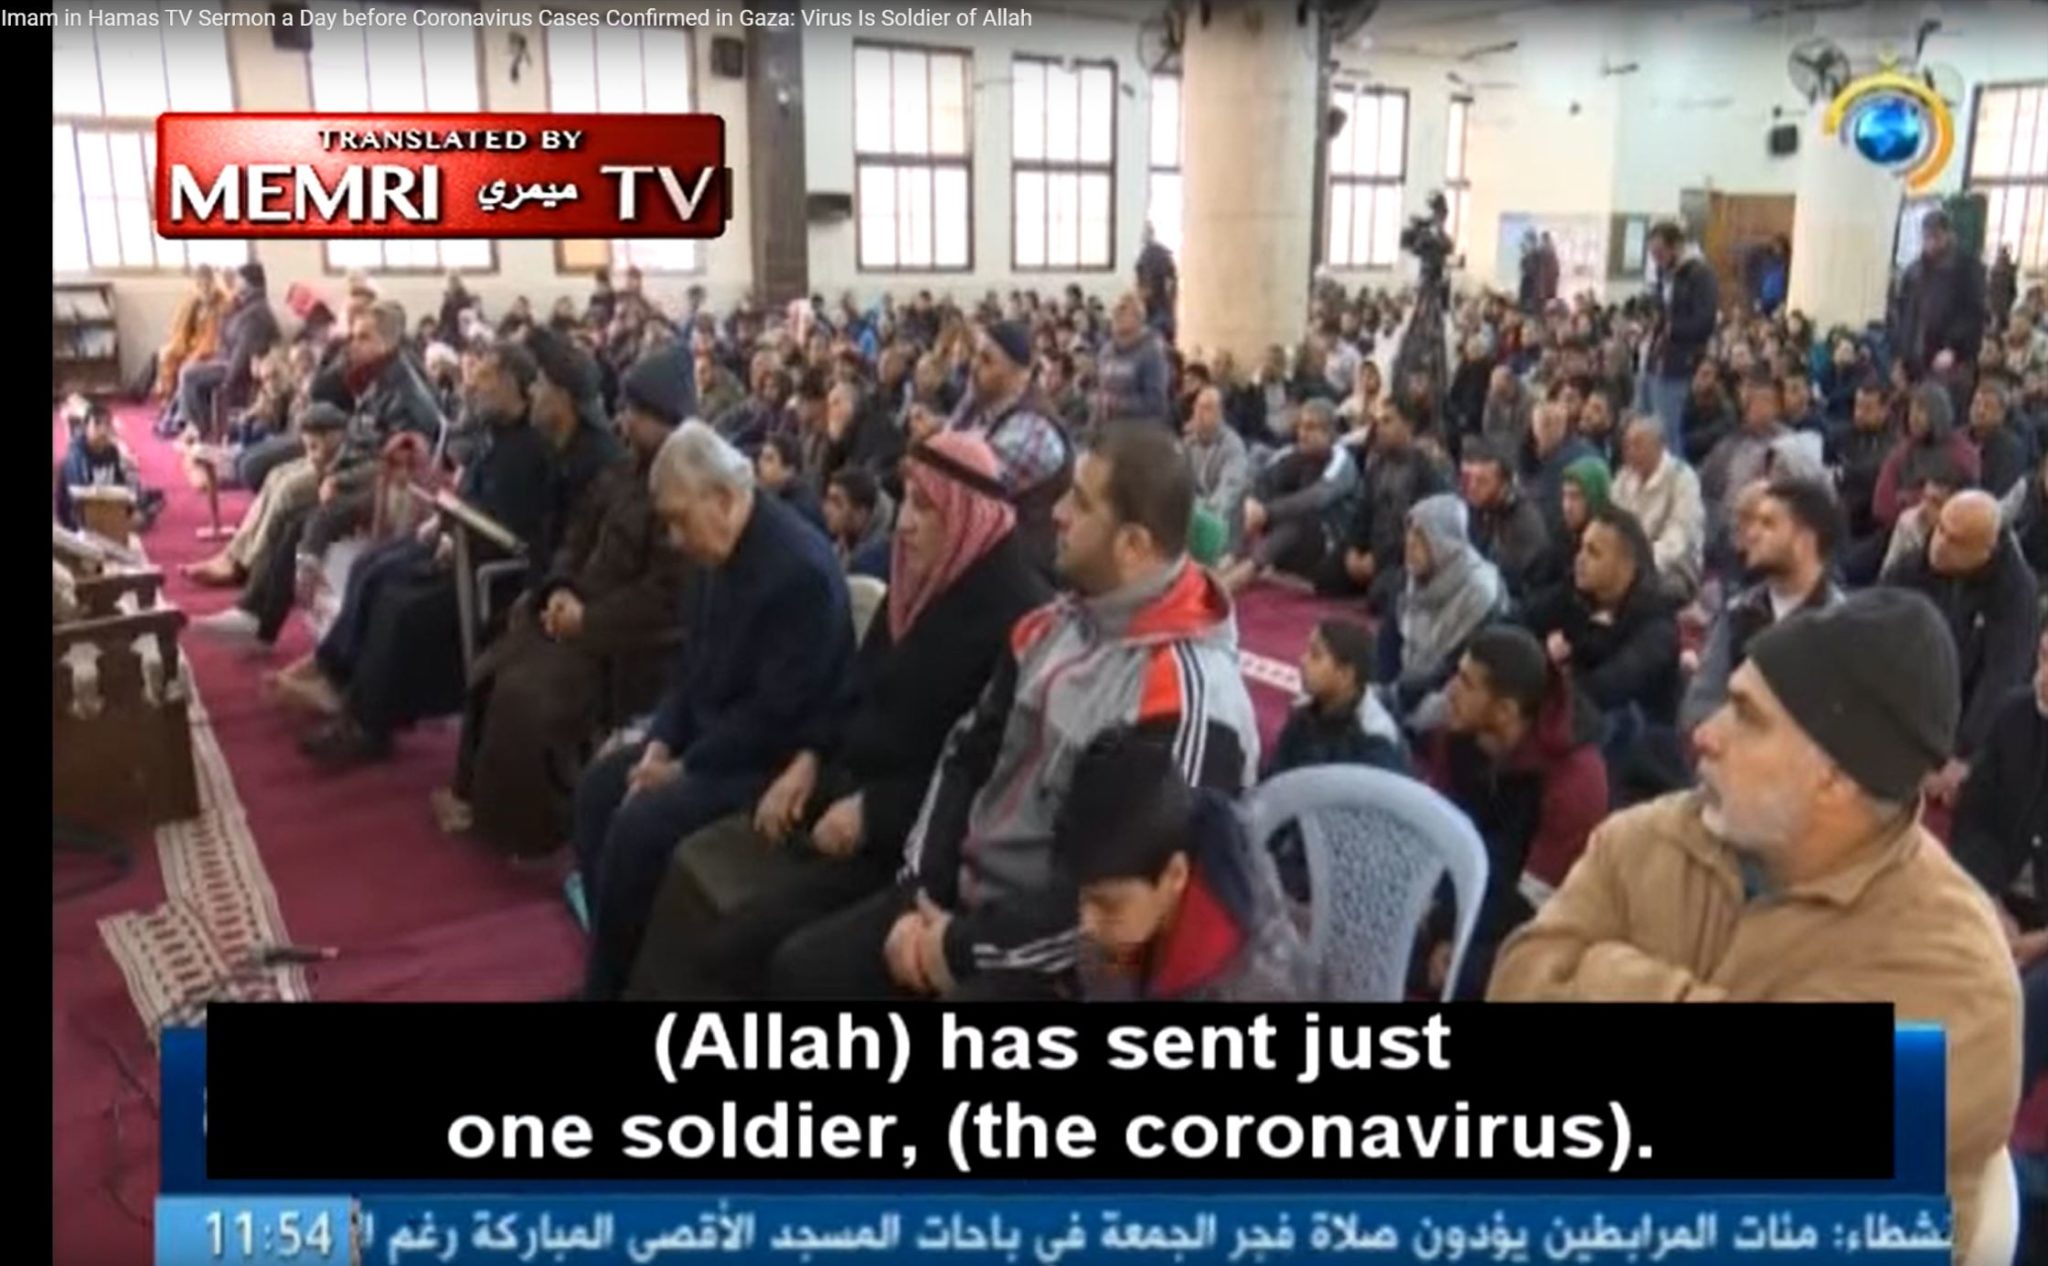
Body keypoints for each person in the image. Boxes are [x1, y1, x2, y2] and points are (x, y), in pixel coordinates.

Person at [1488, 590, 2020, 1262]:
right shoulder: (1647, 840)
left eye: (1746, 716)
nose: (1704, 733)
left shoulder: (1958, 972)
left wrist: (1602, 974)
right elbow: (1515, 986)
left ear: (1835, 777)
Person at [766, 422, 1261, 1000]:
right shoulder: (1050, 624)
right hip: (961, 902)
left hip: (1066, 971)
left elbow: (1116, 915)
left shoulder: (1185, 697)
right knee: (799, 969)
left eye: (1081, 503)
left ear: (1132, 546)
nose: (1057, 513)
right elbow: (963, 756)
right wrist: (917, 890)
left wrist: (954, 948)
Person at [627, 433, 1052, 1000]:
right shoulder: (924, 577)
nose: (904, 524)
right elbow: (855, 689)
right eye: (906, 501)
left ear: (966, 516)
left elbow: (979, 779)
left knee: (762, 951)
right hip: (837, 791)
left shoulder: (1015, 615)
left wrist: (874, 811)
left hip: (904, 846)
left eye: (926, 507)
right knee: (691, 881)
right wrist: (809, 758)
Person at [572, 423, 854, 1000]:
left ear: (723, 499)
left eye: (679, 520)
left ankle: (615, 989)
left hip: (771, 763)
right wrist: (659, 743)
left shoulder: (797, 570)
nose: (675, 539)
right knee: (599, 790)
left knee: (638, 826)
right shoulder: (715, 551)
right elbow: (690, 669)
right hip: (712, 739)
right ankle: (617, 967)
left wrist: (681, 767)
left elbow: (776, 717)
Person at [433, 349, 691, 856]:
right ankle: (475, 797)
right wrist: (558, 589)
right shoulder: (621, 471)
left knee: (528, 695)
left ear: (668, 422)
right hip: (576, 612)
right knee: (494, 663)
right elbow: (575, 538)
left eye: (637, 414)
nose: (625, 422)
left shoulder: (682, 492)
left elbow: (665, 595)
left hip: (623, 641)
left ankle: (534, 831)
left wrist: (587, 620)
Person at [285, 338, 557, 765]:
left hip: (490, 571)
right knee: (370, 565)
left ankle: (367, 723)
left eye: (485, 376)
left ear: (512, 383)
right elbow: (470, 494)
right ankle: (337, 677)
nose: (474, 384)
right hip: (460, 540)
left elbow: (515, 529)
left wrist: (454, 534)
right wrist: (443, 522)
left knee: (398, 604)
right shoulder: (494, 432)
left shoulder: (531, 448)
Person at [1421, 625, 1607, 1000]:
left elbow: (1542, 901)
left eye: (1466, 683)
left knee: (1482, 977)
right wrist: (1438, 926)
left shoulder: (1575, 779)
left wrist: (1459, 941)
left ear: (1505, 711)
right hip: (1474, 889)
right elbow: (1435, 832)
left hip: (1540, 916)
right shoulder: (1455, 735)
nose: (1450, 690)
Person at [1059, 730, 1311, 1002]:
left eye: (1110, 905)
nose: (1087, 925)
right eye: (1082, 898)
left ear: (1175, 876)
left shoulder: (1251, 985)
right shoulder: (1126, 906)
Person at [1887, 489, 2041, 802]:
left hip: (1961, 715)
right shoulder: (1916, 564)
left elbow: (2002, 677)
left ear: (1986, 551)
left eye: (1956, 541)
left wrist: (1962, 753)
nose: (1940, 544)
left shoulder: (2015, 593)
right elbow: (1879, 618)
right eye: (1941, 529)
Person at [1950, 631, 2048, 1092]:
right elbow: (1972, 823)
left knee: (2026, 1003)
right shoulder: (2014, 714)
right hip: (1994, 902)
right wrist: (1990, 901)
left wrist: (2038, 943)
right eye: (2044, 657)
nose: (2044, 677)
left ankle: (1975, 1115)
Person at [1681, 478, 1844, 732]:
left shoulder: (1841, 624)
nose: (1752, 534)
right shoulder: (1739, 613)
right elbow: (1699, 706)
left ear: (1804, 541)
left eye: (1768, 524)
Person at [1522, 505, 1683, 731]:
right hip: (1572, 713)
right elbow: (1519, 621)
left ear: (1627, 564)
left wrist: (1554, 671)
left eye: (1593, 553)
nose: (1580, 559)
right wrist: (1541, 655)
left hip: (1636, 737)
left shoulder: (1657, 623)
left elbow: (1609, 687)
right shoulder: (1577, 592)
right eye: (1581, 548)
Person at [952, 320, 1073, 574]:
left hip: (1017, 568)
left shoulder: (1034, 430)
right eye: (976, 355)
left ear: (1021, 375)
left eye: (987, 360)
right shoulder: (981, 399)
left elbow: (962, 487)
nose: (973, 366)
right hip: (980, 550)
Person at [1388, 494, 1507, 728]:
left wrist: (1398, 699)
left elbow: (1453, 668)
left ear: (1444, 542)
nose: (1409, 544)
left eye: (1420, 536)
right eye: (1409, 533)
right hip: (1411, 685)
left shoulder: (1479, 591)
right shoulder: (1415, 578)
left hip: (1452, 693)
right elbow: (1391, 640)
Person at [1324, 396, 1448, 612]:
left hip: (1405, 555)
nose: (1379, 429)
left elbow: (1425, 529)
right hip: (1375, 548)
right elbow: (1363, 514)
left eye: (1387, 421)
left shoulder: (1427, 468)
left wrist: (1378, 560)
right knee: (1326, 578)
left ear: (1408, 425)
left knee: (1381, 596)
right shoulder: (1377, 465)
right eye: (1378, 422)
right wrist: (1354, 551)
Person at [1224, 400, 1357, 592]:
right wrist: (1254, 504)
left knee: (1301, 517)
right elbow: (1261, 482)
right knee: (1246, 497)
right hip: (1298, 547)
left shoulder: (1342, 460)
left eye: (1310, 428)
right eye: (1300, 426)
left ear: (1329, 433)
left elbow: (1317, 497)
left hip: (1332, 550)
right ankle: (1229, 558)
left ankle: (1245, 572)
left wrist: (1266, 512)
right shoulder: (1292, 453)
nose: (1302, 434)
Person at [1265, 618, 1410, 783]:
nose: (1303, 660)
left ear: (1346, 674)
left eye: (1316, 655)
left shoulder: (1375, 742)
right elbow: (1276, 779)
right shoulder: (1302, 713)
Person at [1611, 415, 1705, 601]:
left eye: (1637, 445)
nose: (1630, 452)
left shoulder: (1682, 478)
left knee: (1638, 593)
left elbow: (1679, 539)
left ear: (1659, 446)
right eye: (1627, 445)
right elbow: (1612, 522)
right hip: (1627, 564)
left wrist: (1636, 564)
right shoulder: (1623, 477)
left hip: (1674, 568)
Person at [1645, 221, 1719, 455]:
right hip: (1657, 359)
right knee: (1649, 430)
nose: (1656, 259)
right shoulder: (1665, 274)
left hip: (1680, 363)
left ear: (1676, 246)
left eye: (1660, 252)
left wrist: (1672, 329)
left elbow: (1705, 321)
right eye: (1653, 254)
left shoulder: (1700, 274)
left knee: (1670, 434)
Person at [1892, 209, 1988, 381]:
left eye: (1936, 236)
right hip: (1914, 360)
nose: (1931, 242)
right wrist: (1901, 355)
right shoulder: (1914, 272)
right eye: (1927, 237)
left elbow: (1974, 315)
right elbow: (1903, 314)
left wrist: (1954, 348)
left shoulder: (1967, 269)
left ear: (1949, 235)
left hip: (1950, 361)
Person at [1875, 382, 1983, 530]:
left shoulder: (1961, 455)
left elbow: (1957, 502)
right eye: (1912, 410)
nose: (1914, 417)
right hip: (1900, 530)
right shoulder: (1903, 451)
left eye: (1921, 410)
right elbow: (1881, 506)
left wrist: (1908, 498)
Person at [1459, 440, 1551, 600]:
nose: (1473, 487)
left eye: (1482, 481)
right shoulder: (1477, 510)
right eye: (1470, 480)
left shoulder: (1524, 521)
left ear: (1503, 484)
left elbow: (1512, 579)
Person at [56, 403, 159, 532]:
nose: (103, 430)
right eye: (97, 425)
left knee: (142, 495)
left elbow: (120, 482)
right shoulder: (77, 455)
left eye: (106, 424)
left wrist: (129, 509)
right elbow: (80, 495)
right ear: (86, 428)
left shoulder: (111, 452)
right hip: (82, 516)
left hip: (107, 506)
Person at [1184, 384, 1250, 555]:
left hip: (1222, 526)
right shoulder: (1188, 443)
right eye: (1197, 407)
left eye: (1206, 409)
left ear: (1219, 413)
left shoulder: (1233, 447)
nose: (1199, 414)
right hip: (1195, 517)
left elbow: (1227, 493)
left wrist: (1199, 510)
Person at [1092, 292, 1173, 429]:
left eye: (1123, 310)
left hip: (1139, 431)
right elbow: (1101, 391)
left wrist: (1117, 404)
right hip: (1108, 430)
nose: (1117, 314)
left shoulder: (1152, 353)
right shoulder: (1106, 352)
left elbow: (1156, 403)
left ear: (1139, 318)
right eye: (1115, 310)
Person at [1967, 380, 2032, 502]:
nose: (1980, 410)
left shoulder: (2011, 449)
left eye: (1988, 406)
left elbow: (2003, 494)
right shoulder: (1960, 438)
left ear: (2001, 414)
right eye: (1976, 404)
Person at [824, 468, 891, 580]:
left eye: (837, 503)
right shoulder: (836, 548)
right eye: (827, 500)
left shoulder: (878, 562)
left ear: (861, 514)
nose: (827, 509)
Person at [1134, 223, 1178, 340]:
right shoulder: (1163, 254)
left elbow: (1140, 280)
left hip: (1157, 307)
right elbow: (1172, 280)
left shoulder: (1145, 256)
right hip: (1162, 306)